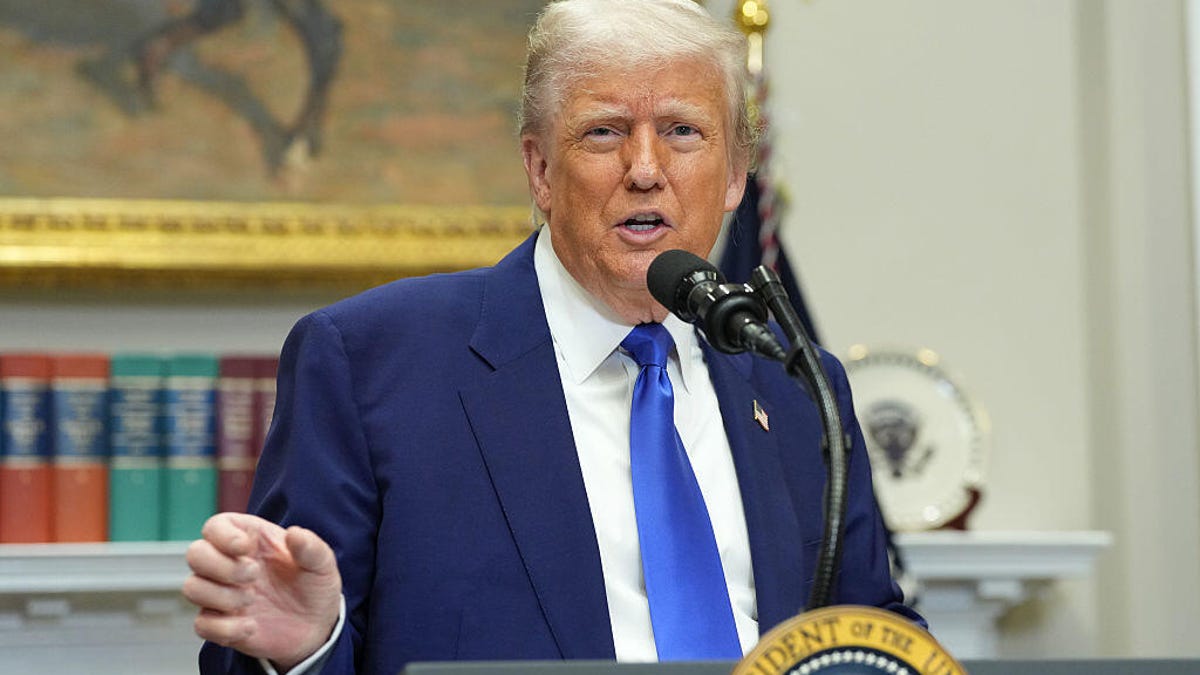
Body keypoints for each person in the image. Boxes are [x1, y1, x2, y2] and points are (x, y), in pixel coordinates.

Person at [184, 1, 923, 673]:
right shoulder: (370, 364)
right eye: (604, 132)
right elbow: (253, 640)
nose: (645, 170)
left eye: (682, 132)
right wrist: (306, 650)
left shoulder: (795, 384)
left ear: (734, 174)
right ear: (539, 167)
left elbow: (871, 639)